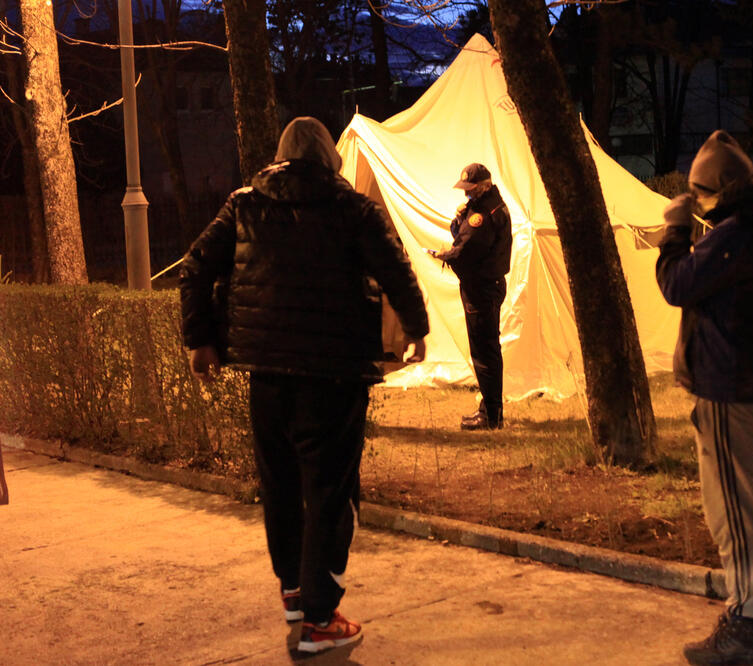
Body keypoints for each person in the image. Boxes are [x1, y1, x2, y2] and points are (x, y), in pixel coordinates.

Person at [179, 117, 429, 655]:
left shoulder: (244, 204)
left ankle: (294, 590)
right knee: (330, 493)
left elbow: (194, 267)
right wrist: (417, 329)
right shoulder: (353, 209)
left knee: (281, 485)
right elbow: (396, 269)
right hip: (334, 375)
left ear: (281, 155)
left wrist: (201, 341)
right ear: (328, 158)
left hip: (266, 373)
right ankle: (320, 618)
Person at [655, 130, 753, 666]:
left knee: (735, 511)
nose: (697, 206)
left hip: (727, 388)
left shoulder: (735, 235)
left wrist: (674, 234)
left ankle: (745, 623)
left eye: (699, 196)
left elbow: (676, 285)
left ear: (716, 190)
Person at [431, 163, 512, 430]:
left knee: (484, 352)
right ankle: (489, 409)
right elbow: (462, 236)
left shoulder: (483, 215)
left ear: (483, 187)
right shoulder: (487, 208)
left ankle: (491, 416)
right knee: (487, 350)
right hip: (488, 285)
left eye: (471, 190)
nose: (467, 195)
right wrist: (459, 220)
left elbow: (466, 248)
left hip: (481, 288)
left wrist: (444, 255)